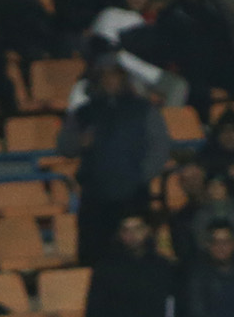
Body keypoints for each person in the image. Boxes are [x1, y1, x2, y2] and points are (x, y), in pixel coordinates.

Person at [61, 58, 171, 264]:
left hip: (133, 195)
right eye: (104, 76)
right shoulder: (84, 112)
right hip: (95, 195)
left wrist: (140, 176)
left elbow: (160, 147)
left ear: (123, 78)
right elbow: (64, 146)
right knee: (94, 256)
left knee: (137, 256)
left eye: (114, 75)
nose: (109, 80)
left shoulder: (143, 109)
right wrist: (79, 142)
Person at [85, 213, 188, 317]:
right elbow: (95, 312)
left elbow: (177, 305)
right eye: (127, 230)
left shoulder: (164, 266)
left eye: (137, 229)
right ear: (119, 234)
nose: (132, 235)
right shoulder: (105, 269)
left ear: (147, 231)